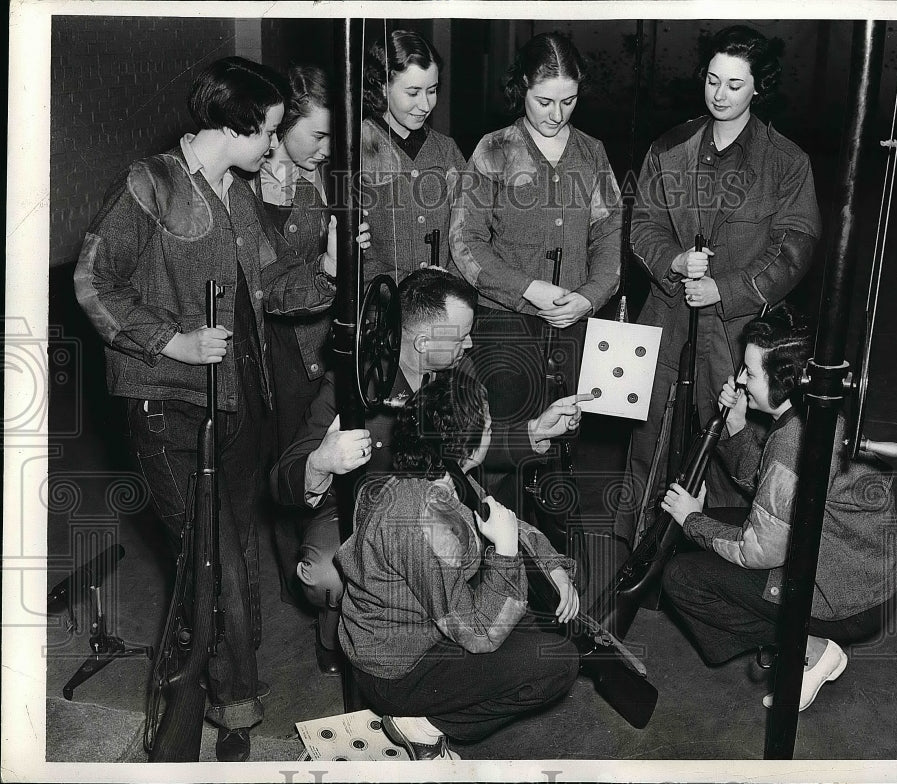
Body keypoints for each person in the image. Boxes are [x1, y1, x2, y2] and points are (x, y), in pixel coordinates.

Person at [74, 56, 340, 762]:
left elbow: (271, 285)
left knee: (232, 550)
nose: (276, 147)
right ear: (237, 126)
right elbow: (94, 281)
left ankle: (230, 693)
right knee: (209, 555)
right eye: (272, 132)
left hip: (235, 404)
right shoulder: (150, 184)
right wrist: (175, 342)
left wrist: (331, 277)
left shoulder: (238, 191)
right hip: (165, 405)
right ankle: (219, 705)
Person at [270, 268, 589, 674]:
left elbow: (467, 447)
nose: (470, 343)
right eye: (461, 336)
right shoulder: (353, 382)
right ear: (423, 341)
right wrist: (320, 461)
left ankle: (433, 618)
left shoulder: (458, 368)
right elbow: (281, 479)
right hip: (356, 512)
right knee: (325, 574)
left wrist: (533, 431)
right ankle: (340, 631)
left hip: (433, 504)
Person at [613, 25, 822, 570]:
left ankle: (719, 562)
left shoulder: (786, 163)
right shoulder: (669, 148)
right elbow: (643, 227)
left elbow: (795, 246)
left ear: (758, 89)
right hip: (666, 319)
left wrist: (725, 289)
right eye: (712, 80)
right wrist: (675, 263)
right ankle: (638, 557)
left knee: (732, 447)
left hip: (737, 333)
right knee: (650, 439)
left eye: (734, 84)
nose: (720, 94)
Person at [659, 306, 897, 712]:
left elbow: (761, 550)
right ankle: (805, 639)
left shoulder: (790, 440)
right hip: (864, 574)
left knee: (683, 577)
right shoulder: (813, 414)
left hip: (851, 599)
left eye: (750, 373)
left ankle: (811, 647)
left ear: (784, 381)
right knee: (716, 532)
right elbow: (775, 493)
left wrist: (691, 520)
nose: (739, 379)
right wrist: (737, 428)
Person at [336, 373, 581, 759]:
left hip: (417, 634)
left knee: (538, 626)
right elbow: (479, 634)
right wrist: (505, 550)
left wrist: (553, 566)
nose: (492, 429)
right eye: (486, 424)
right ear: (465, 446)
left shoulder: (442, 474)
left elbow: (503, 518)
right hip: (397, 668)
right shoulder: (425, 522)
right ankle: (421, 726)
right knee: (558, 665)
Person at [450, 31, 622, 506]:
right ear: (521, 87)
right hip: (505, 329)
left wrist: (589, 296)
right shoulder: (494, 150)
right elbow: (466, 242)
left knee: (564, 463)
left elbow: (608, 236)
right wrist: (528, 291)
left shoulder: (592, 153)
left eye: (569, 101)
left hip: (573, 327)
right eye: (544, 100)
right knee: (502, 457)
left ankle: (553, 566)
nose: (557, 114)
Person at [253, 64, 373, 654]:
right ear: (280, 126)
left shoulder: (317, 176)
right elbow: (262, 287)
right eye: (318, 136)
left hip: (323, 341)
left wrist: (350, 250)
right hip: (273, 352)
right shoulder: (251, 183)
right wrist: (328, 267)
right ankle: (305, 589)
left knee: (326, 462)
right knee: (287, 470)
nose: (326, 150)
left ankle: (336, 599)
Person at [360, 29, 466, 283]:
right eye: (413, 92)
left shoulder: (447, 150)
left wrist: (448, 284)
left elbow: (469, 234)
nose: (426, 105)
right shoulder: (358, 149)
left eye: (432, 90)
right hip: (382, 306)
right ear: (383, 87)